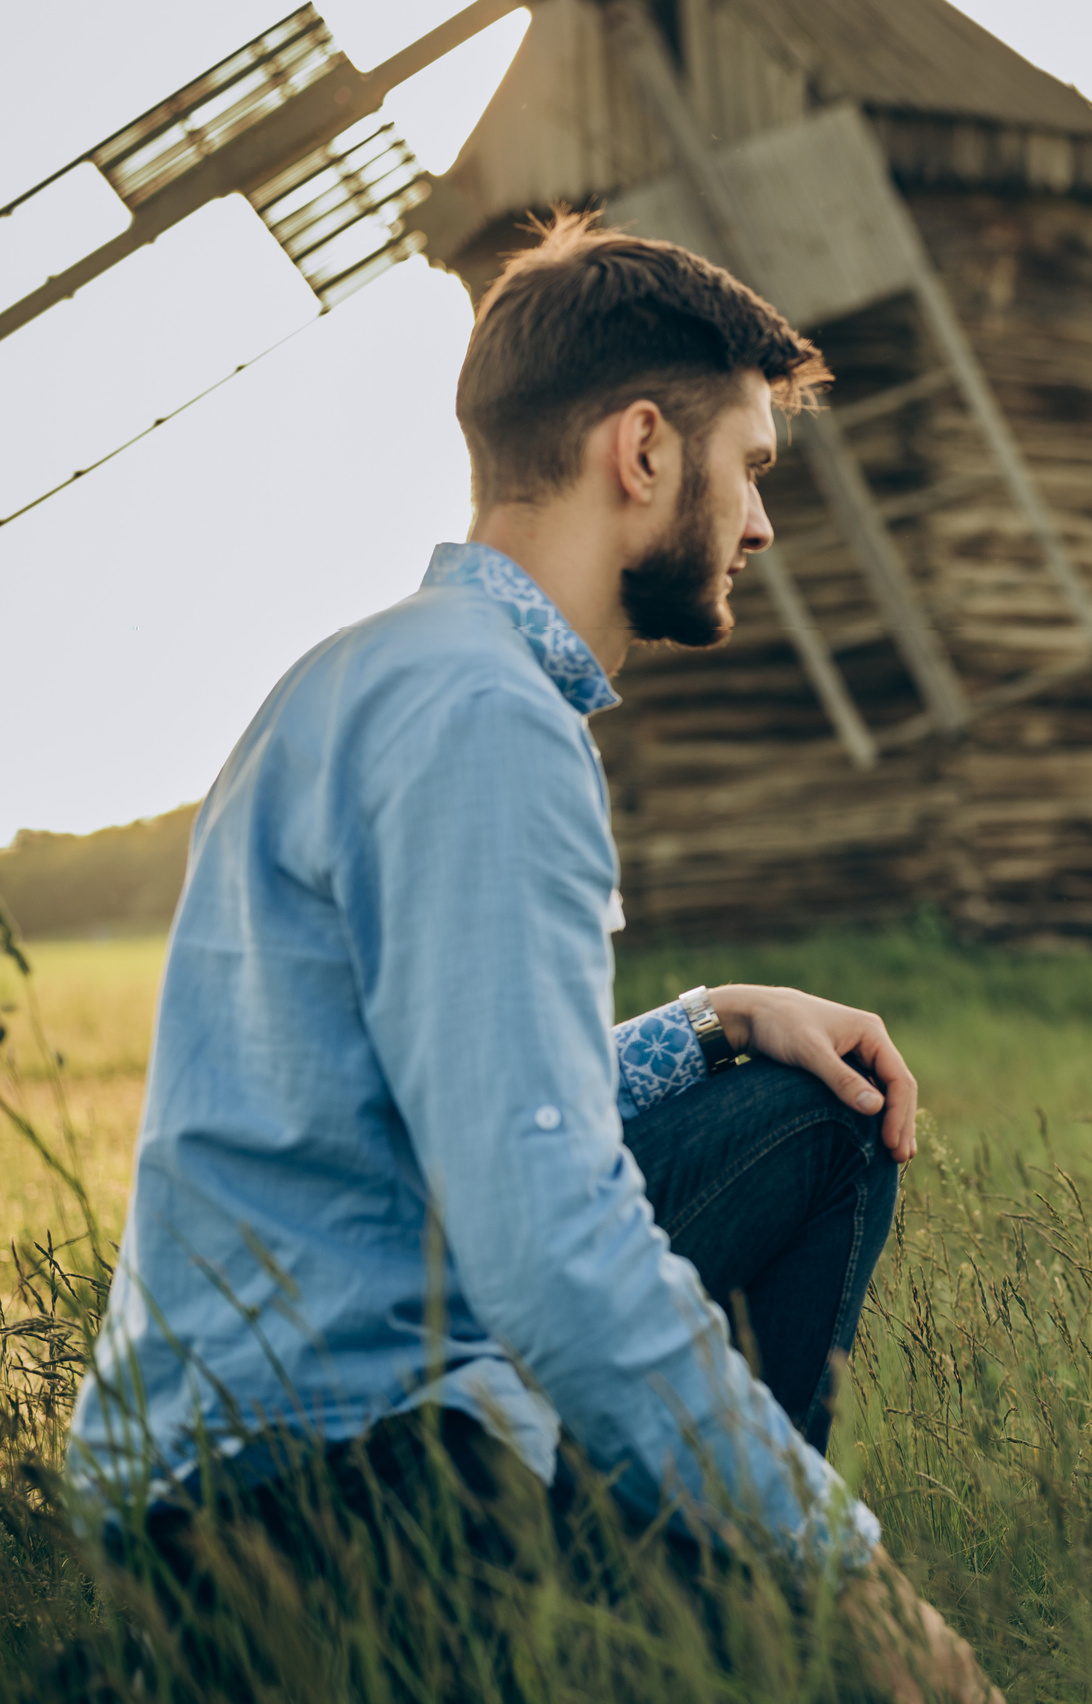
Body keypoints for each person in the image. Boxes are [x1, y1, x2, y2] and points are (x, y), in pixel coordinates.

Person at [61, 214, 999, 1699]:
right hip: (322, 1494)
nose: (762, 524)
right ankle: (744, 1637)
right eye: (750, 467)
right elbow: (552, 1245)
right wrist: (856, 1588)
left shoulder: (367, 673)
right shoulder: (492, 726)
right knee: (816, 1157)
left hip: (209, 1464)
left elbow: (428, 1109)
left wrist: (708, 1021)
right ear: (642, 451)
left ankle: (695, 1618)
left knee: (804, 1099)